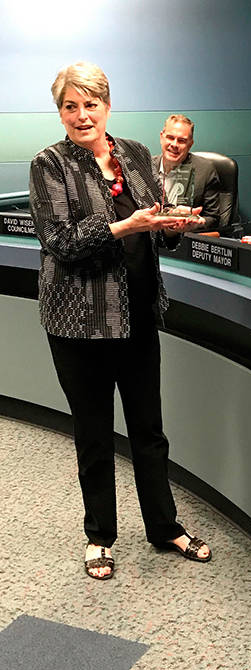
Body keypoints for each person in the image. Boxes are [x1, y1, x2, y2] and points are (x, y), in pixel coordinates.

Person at [29, 62, 211, 580]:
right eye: (71, 106)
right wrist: (121, 225)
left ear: (108, 105)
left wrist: (172, 225)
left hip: (138, 315)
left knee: (149, 430)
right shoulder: (50, 164)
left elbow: (154, 223)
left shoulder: (133, 153)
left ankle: (164, 526)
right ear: (61, 112)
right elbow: (60, 243)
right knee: (93, 433)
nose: (82, 115)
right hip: (79, 324)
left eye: (91, 104)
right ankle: (99, 537)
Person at [152, 114, 222, 234]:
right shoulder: (147, 166)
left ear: (190, 144)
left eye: (182, 140)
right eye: (170, 137)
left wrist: (193, 223)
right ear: (161, 137)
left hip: (184, 241)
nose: (174, 144)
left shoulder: (205, 171)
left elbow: (213, 219)